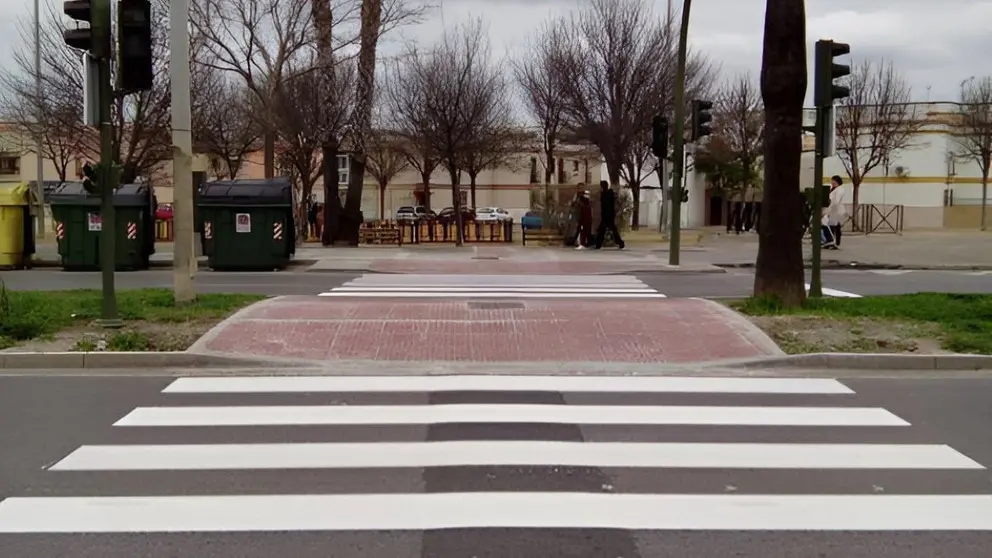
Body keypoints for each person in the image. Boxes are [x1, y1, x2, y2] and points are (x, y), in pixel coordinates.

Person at [594, 180, 625, 249]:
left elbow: (605, 205)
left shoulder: (605, 194)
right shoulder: (610, 193)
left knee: (603, 230)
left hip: (606, 215)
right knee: (609, 230)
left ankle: (598, 244)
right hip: (610, 214)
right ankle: (619, 242)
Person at [826, 175, 847, 249]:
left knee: (834, 226)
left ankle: (835, 242)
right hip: (833, 209)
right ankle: (833, 242)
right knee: (834, 226)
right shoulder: (833, 189)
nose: (832, 182)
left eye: (833, 181)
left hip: (837, 209)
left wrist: (830, 207)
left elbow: (836, 200)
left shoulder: (840, 189)